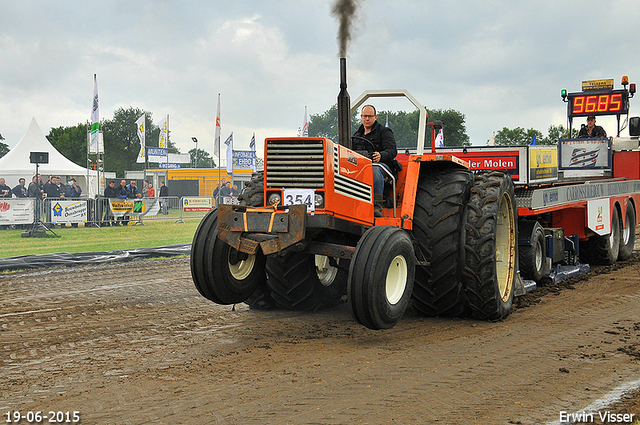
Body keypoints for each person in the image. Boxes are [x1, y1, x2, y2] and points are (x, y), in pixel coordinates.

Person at [352, 104, 398, 217]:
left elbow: (392, 151)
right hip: (360, 166)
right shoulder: (356, 135)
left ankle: (377, 205)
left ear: (375, 117)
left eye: (370, 116)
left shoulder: (384, 132)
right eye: (365, 116)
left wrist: (381, 155)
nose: (367, 119)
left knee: (374, 168)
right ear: (361, 117)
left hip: (382, 167)